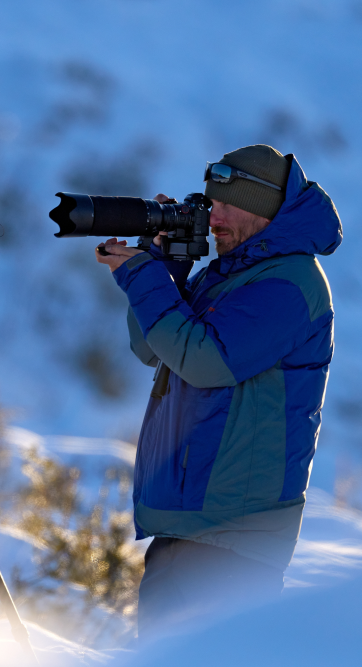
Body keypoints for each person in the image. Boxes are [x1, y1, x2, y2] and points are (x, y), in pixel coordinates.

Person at [95, 144, 342, 637]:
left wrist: (144, 277)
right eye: (211, 203)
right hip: (194, 520)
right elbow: (155, 349)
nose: (215, 217)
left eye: (229, 204)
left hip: (235, 535)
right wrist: (162, 266)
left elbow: (206, 360)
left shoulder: (290, 282)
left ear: (267, 207)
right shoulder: (233, 273)